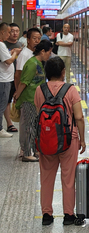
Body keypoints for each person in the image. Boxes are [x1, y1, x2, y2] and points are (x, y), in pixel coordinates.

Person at [35, 57, 86, 226]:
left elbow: (39, 116)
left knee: (46, 178)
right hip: (68, 139)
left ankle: (47, 215)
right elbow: (78, 117)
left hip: (46, 140)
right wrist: (82, 139)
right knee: (68, 178)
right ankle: (68, 215)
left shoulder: (39, 90)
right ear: (63, 72)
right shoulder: (70, 90)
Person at [14, 40, 53, 162]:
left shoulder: (39, 63)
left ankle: (34, 149)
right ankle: (26, 153)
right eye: (49, 52)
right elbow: (24, 82)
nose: (50, 55)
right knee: (28, 127)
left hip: (36, 100)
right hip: (28, 99)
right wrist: (17, 95)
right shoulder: (31, 63)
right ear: (42, 51)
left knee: (34, 126)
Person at [16, 27, 41, 157]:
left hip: (33, 96)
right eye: (34, 38)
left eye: (39, 39)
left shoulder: (33, 54)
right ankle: (24, 150)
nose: (37, 41)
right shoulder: (25, 54)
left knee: (31, 124)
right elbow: (19, 75)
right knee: (26, 124)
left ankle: (29, 148)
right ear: (28, 40)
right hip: (26, 95)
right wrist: (17, 93)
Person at [0, 23, 21, 138]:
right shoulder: (1, 44)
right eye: (8, 32)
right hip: (3, 79)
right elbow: (8, 61)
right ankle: (0, 129)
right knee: (3, 104)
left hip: (6, 78)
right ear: (3, 32)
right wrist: (15, 54)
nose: (10, 34)